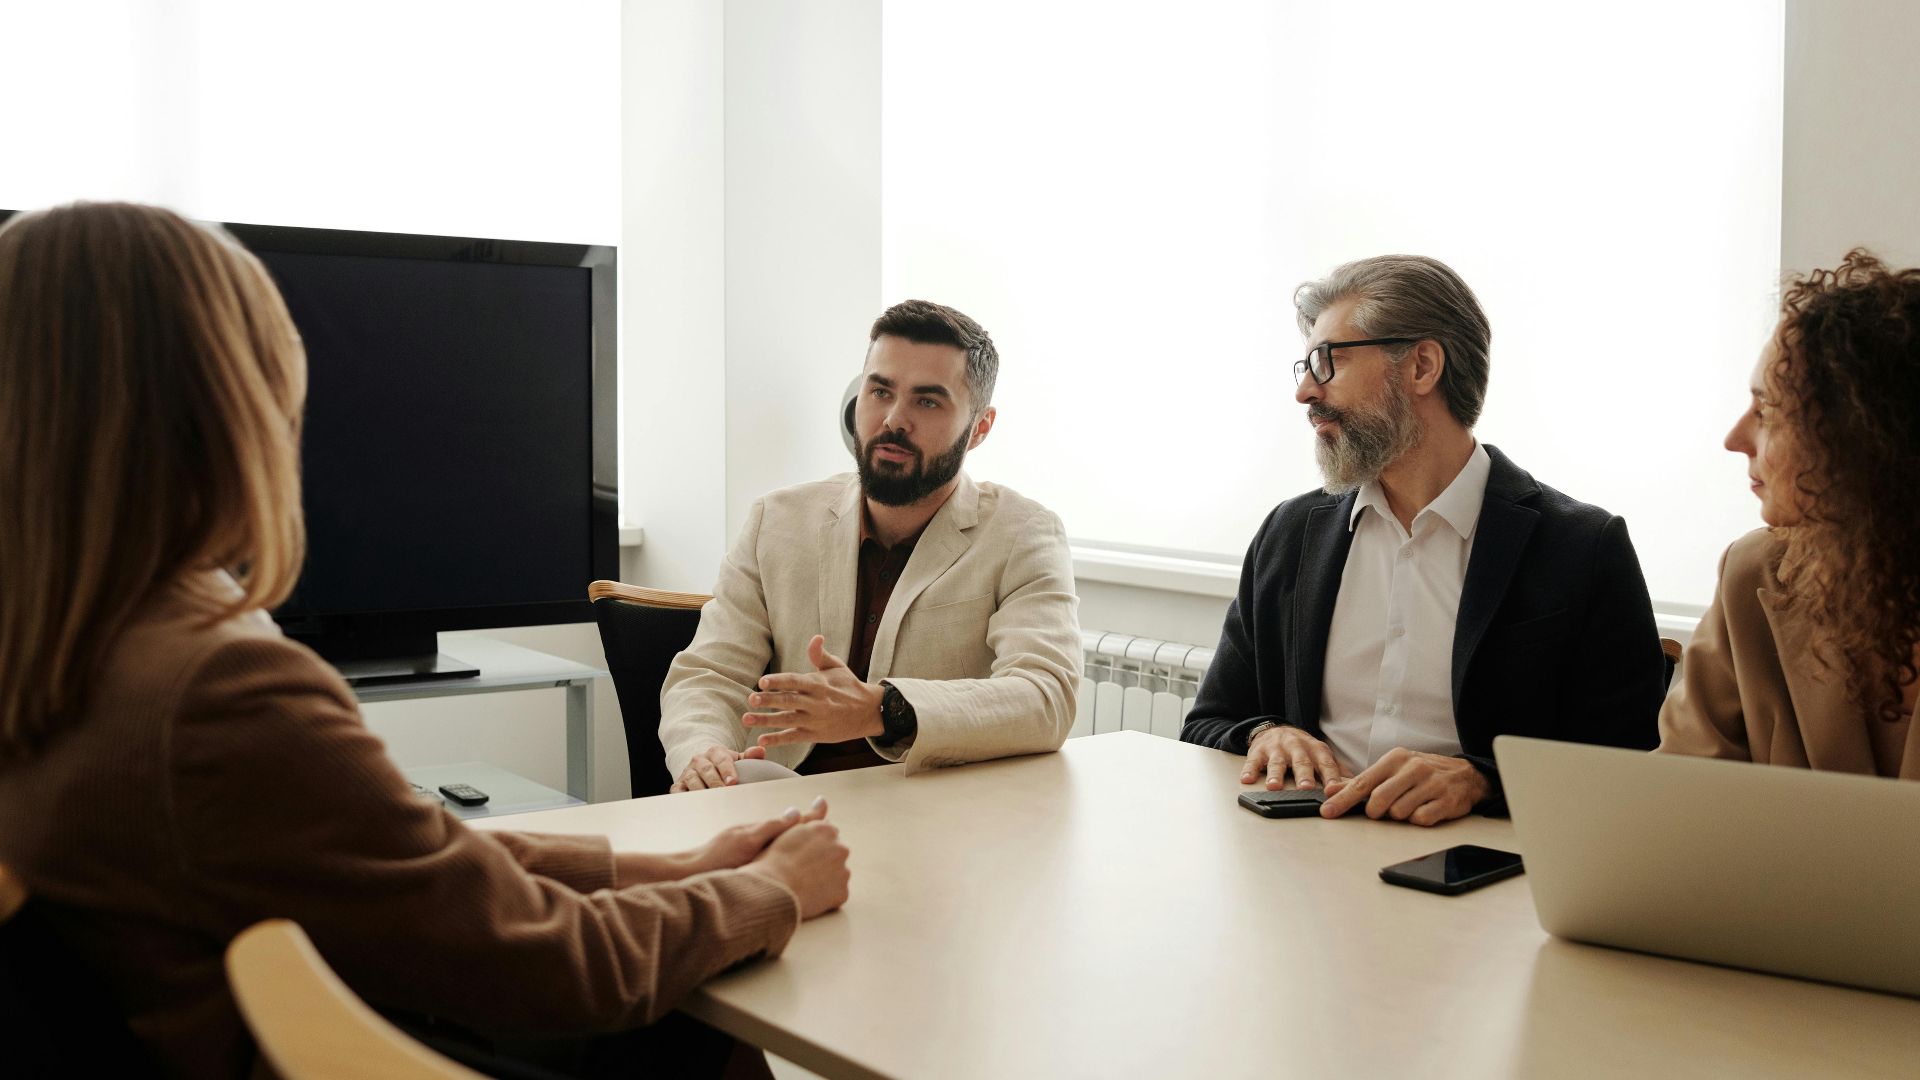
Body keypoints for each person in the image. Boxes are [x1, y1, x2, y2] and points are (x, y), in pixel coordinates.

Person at [0, 202, 851, 1079]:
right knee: (685, 1021)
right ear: (225, 404)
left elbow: (405, 864)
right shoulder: (218, 692)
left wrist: (665, 866)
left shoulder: (65, 652)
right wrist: (768, 893)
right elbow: (549, 962)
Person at [1180, 255, 1665, 824]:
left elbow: (1630, 764)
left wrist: (1484, 780)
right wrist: (1267, 732)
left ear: (1422, 366)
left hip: (1477, 878)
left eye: (1328, 360)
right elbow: (1206, 723)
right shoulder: (1289, 534)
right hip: (1302, 857)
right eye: (1306, 365)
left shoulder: (1581, 546)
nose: (1306, 391)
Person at [659, 300, 1081, 792]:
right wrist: (704, 751)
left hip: (933, 815)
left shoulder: (1023, 533)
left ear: (980, 428)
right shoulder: (775, 521)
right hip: (778, 800)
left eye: (927, 401)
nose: (893, 419)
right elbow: (709, 674)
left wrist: (884, 710)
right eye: (880, 391)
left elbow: (1046, 696)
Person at [1659, 250, 1920, 775]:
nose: (1734, 439)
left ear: (1864, 435)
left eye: (1767, 412)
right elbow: (1678, 795)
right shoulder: (1752, 574)